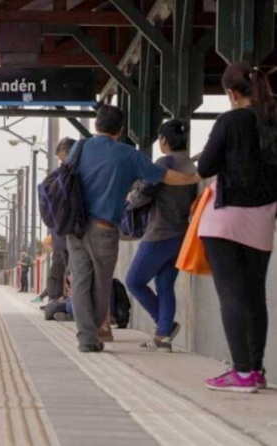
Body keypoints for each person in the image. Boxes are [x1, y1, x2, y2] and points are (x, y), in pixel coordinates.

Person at [67, 105, 200, 353]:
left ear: (96, 125)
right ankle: (148, 331)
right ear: (120, 130)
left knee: (81, 281)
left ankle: (87, 338)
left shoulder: (79, 147)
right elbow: (163, 177)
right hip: (106, 228)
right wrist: (196, 177)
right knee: (102, 283)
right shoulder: (129, 154)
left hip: (74, 227)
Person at [196, 62, 277, 393]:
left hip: (226, 218)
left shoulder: (230, 120)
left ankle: (241, 372)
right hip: (263, 218)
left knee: (231, 294)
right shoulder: (273, 119)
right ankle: (255, 370)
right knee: (255, 296)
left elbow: (205, 167)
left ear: (231, 92)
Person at [125, 120, 197, 353]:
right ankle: (163, 337)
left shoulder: (164, 163)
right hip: (182, 235)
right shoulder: (192, 166)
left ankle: (166, 325)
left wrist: (130, 198)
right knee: (165, 284)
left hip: (159, 232)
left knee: (134, 281)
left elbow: (143, 195)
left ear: (164, 141)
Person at [32, 137, 75, 304]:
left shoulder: (63, 174)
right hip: (67, 235)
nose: (61, 161)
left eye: (62, 157)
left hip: (67, 234)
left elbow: (46, 195)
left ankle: (65, 306)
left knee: (71, 275)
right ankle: (60, 305)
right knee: (66, 275)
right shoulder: (66, 174)